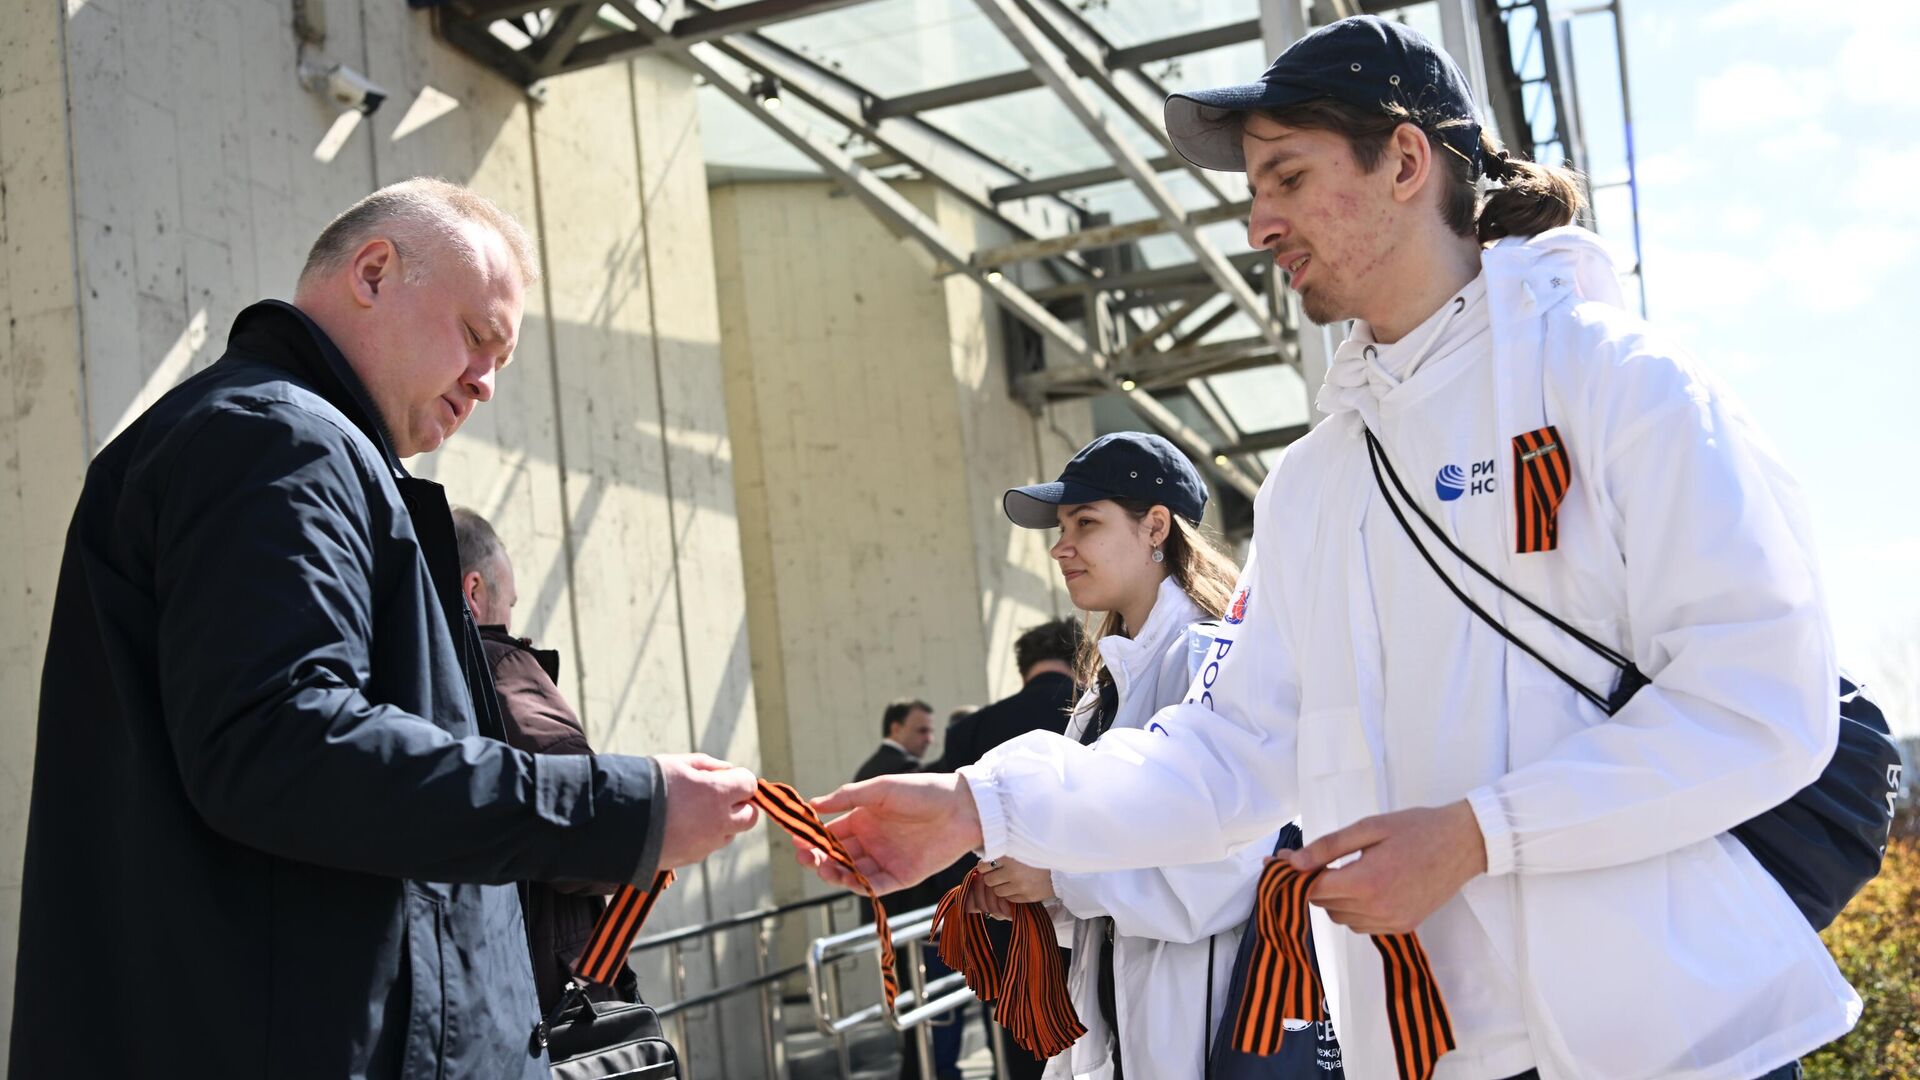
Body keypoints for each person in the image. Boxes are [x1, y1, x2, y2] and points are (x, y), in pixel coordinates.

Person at [800, 18, 1857, 1080]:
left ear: (1404, 160)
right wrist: (976, 803)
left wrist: (1479, 835)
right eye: (1255, 191)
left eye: (1288, 178)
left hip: (1682, 1047)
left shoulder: (1621, 386)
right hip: (1439, 1055)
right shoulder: (1315, 483)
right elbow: (1227, 755)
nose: (1260, 225)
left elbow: (1760, 700)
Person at [11, 179, 762, 1079]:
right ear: (373, 272)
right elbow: (283, 745)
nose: (485, 382)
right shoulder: (276, 439)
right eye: (478, 338)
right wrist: (621, 811)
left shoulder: (284, 442)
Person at [972, 432, 1271, 1080]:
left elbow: (1229, 870)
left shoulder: (1208, 661)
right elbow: (1110, 887)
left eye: (1086, 522)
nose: (1060, 546)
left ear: (1155, 526)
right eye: (1060, 526)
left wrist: (1060, 881)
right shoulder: (1107, 686)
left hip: (1203, 1041)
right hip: (1123, 1042)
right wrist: (1031, 890)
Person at [453, 505, 637, 1015]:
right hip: (553, 995)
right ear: (473, 592)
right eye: (508, 602)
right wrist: (651, 828)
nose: (514, 620)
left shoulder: (413, 679)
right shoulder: (501, 668)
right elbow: (588, 831)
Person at [856, 698, 937, 781]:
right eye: (922, 731)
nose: (929, 740)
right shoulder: (906, 767)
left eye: (931, 732)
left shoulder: (866, 769)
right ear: (896, 729)